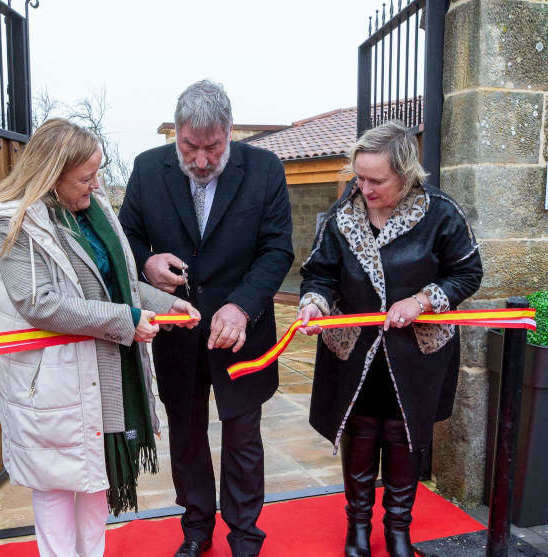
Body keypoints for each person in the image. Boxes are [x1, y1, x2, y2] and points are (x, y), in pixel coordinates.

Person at [0, 118, 200, 557]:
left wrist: (162, 304)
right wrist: (125, 320)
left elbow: (120, 283)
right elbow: (39, 302)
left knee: (96, 484)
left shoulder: (94, 209)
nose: (97, 184)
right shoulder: (13, 221)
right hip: (53, 381)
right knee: (57, 489)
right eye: (86, 177)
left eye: (97, 172)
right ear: (51, 174)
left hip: (101, 372)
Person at [119, 80, 294, 557]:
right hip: (179, 331)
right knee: (187, 433)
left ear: (230, 132)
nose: (200, 160)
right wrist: (147, 264)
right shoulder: (147, 169)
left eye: (212, 147)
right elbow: (124, 240)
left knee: (242, 434)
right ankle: (196, 529)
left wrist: (242, 305)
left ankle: (245, 536)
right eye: (189, 147)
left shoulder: (264, 170)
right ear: (175, 133)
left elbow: (278, 249)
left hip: (243, 332)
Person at [297, 121, 483, 557]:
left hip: (415, 351)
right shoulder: (343, 214)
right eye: (358, 177)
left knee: (404, 435)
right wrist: (314, 304)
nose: (364, 188)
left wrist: (423, 300)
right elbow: (319, 273)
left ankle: (399, 529)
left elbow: (468, 273)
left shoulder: (441, 212)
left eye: (376, 180)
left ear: (405, 173)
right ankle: (357, 528)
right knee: (359, 433)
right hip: (354, 347)